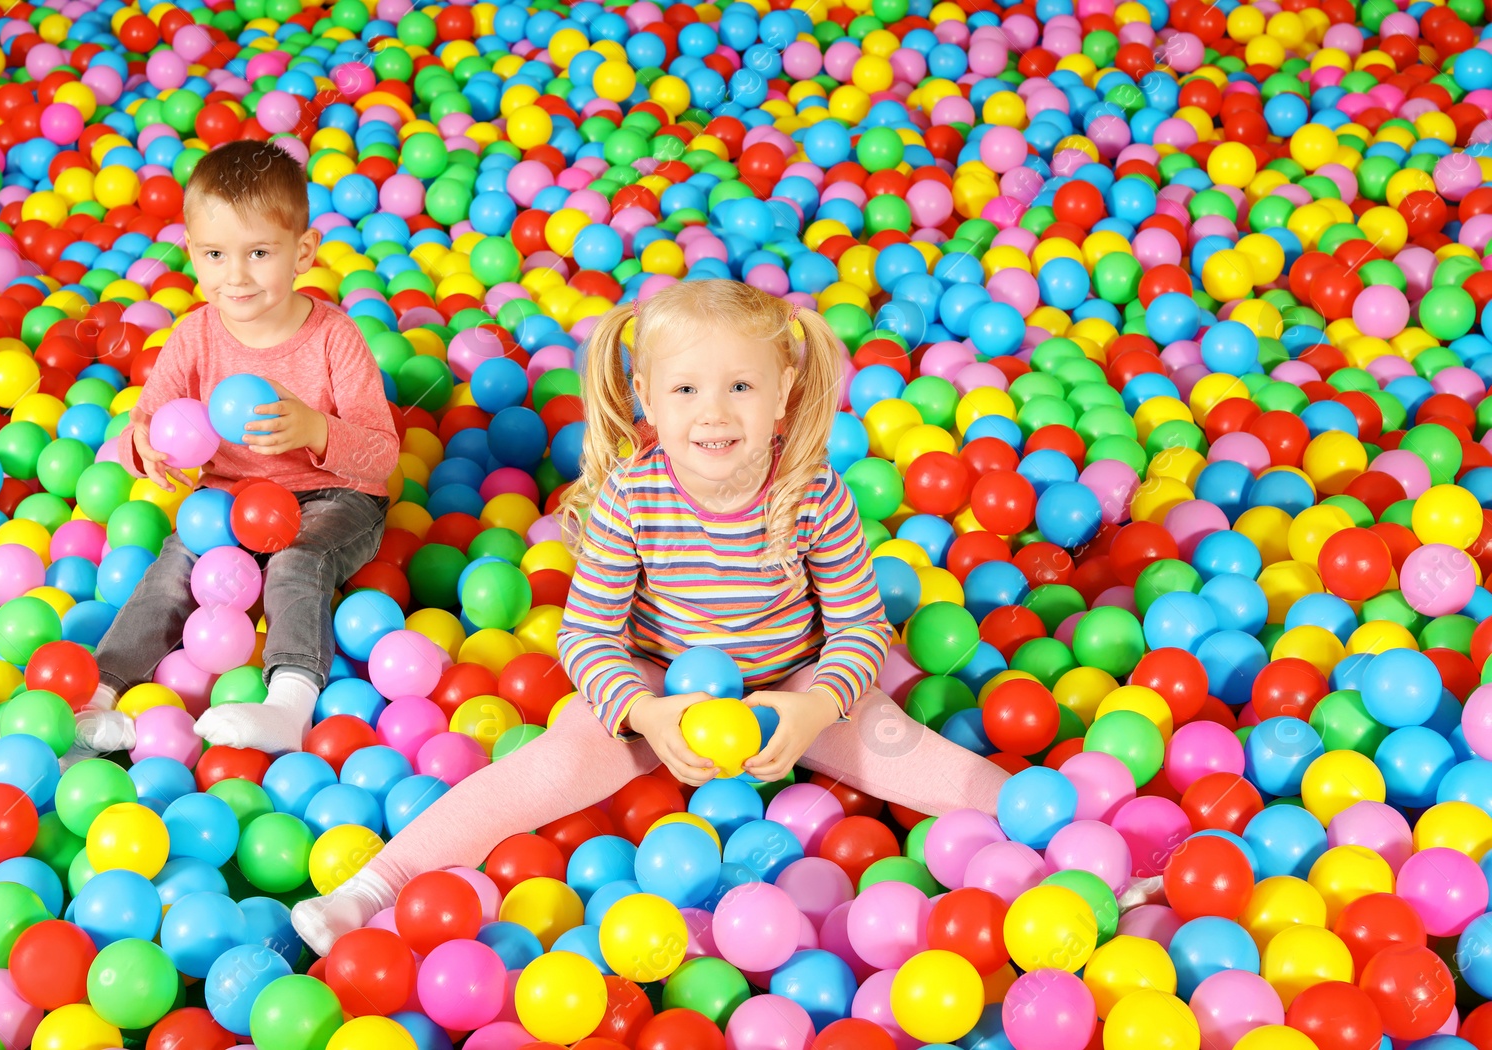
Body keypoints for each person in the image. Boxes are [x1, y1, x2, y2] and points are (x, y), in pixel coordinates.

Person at [290, 279, 1010, 956]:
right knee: (557, 761)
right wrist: (645, 715)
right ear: (648, 399)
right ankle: (374, 885)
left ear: (783, 393)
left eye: (741, 387)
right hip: (659, 681)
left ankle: (1086, 861)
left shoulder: (815, 492)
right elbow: (588, 634)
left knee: (910, 752)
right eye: (687, 389)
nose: (715, 412)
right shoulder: (632, 498)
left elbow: (859, 629)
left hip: (791, 682)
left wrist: (817, 710)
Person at [67, 140, 400, 766]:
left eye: (259, 253)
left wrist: (315, 429)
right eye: (215, 255)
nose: (235, 275)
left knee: (296, 563)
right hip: (227, 500)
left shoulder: (334, 337)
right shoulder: (194, 334)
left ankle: (288, 706)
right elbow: (150, 417)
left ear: (302, 252)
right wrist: (146, 446)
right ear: (192, 252)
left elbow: (381, 456)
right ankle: (99, 698)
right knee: (173, 570)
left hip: (335, 498)